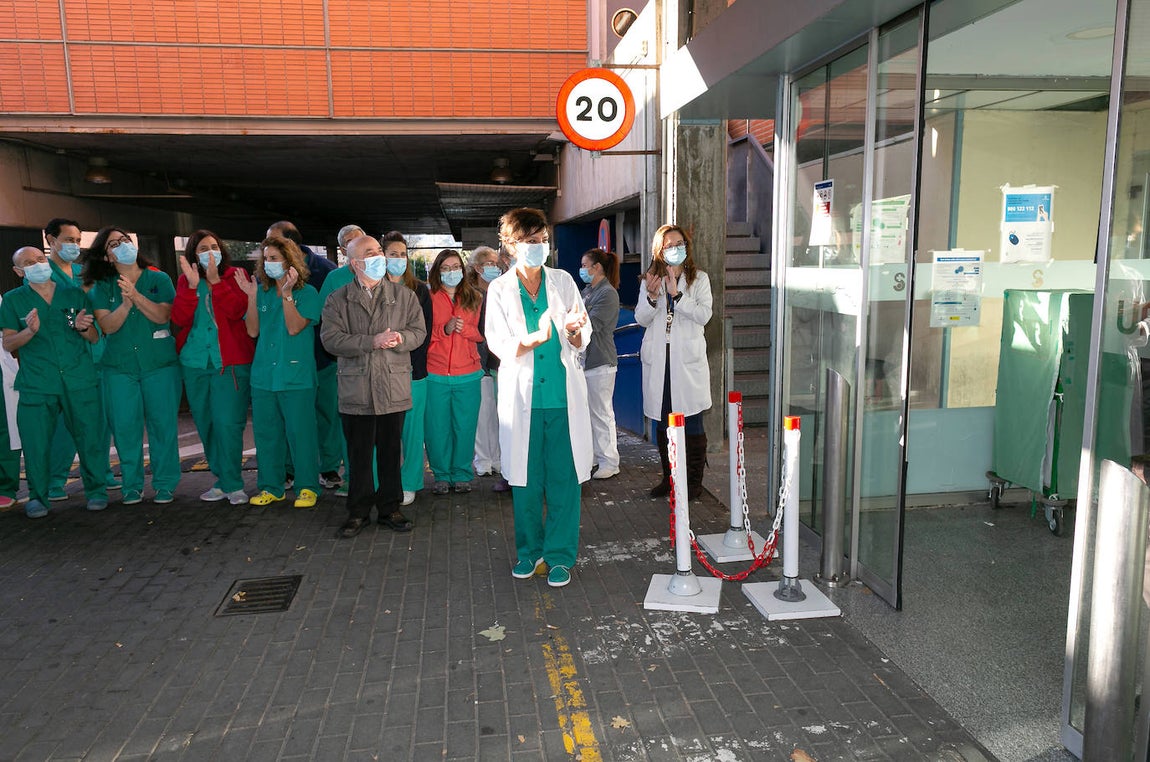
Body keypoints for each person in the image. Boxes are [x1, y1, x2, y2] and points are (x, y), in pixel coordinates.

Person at [485, 208, 592, 588]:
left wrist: (575, 332)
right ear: (512, 246)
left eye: (543, 240)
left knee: (564, 481)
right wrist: (534, 338)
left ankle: (560, 556)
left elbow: (581, 334)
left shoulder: (562, 281)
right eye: (530, 241)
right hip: (522, 399)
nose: (538, 247)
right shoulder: (499, 289)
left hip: (562, 399)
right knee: (526, 483)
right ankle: (529, 551)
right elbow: (497, 341)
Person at [321, 234, 426, 539]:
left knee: (392, 453)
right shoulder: (337, 299)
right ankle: (358, 512)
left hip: (393, 386)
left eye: (379, 250)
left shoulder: (404, 295)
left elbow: (418, 331)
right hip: (357, 391)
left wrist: (401, 339)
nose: (380, 256)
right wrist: (371, 342)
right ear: (354, 263)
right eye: (371, 253)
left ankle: (390, 508)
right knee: (359, 455)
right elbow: (330, 340)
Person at [0, 246, 109, 516]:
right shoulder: (14, 300)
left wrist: (85, 329)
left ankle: (96, 490)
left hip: (78, 378)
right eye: (28, 262)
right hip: (38, 383)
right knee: (36, 443)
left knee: (89, 438)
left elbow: (94, 337)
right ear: (18, 271)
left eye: (40, 259)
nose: (37, 264)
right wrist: (29, 331)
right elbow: (9, 342)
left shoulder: (73, 294)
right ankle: (38, 496)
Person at [85, 226, 181, 505]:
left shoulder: (159, 279)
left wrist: (136, 296)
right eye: (114, 244)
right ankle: (131, 485)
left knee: (163, 426)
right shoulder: (102, 287)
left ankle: (164, 484)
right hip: (119, 368)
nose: (122, 246)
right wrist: (126, 305)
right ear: (107, 257)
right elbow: (107, 326)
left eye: (125, 241)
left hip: (160, 365)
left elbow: (163, 315)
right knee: (125, 428)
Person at [237, 235, 322, 508]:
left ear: (290, 261)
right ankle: (271, 487)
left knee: (301, 434)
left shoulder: (307, 293)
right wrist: (251, 298)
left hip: (296, 378)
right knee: (266, 435)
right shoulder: (260, 291)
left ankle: (307, 486)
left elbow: (295, 327)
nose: (269, 263)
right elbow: (252, 330)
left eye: (275, 258)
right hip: (264, 377)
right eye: (266, 258)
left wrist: (286, 294)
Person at [172, 230, 255, 505]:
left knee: (228, 424)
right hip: (195, 363)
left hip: (229, 365)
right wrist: (194, 288)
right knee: (206, 424)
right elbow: (180, 318)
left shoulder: (234, 277)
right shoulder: (186, 281)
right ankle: (222, 480)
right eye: (203, 248)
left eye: (214, 246)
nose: (209, 252)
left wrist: (216, 282)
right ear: (193, 253)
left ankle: (233, 483)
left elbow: (237, 311)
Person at [42, 218, 120, 500]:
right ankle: (55, 479)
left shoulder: (82, 273)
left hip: (97, 356)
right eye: (69, 240)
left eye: (78, 241)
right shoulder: (41, 273)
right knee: (66, 425)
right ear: (51, 240)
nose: (75, 246)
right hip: (66, 362)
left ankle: (101, 472)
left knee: (99, 422)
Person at [635, 224, 713, 498]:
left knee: (691, 421)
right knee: (662, 422)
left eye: (679, 243)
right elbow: (641, 319)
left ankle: (692, 483)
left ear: (686, 247)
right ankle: (669, 478)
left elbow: (704, 315)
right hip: (660, 361)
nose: (675, 249)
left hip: (686, 361)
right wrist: (652, 297)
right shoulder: (650, 280)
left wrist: (677, 296)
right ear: (660, 250)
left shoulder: (698, 279)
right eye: (669, 245)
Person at [267, 221, 342, 491]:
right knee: (290, 420)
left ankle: (329, 467)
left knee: (327, 415)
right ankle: (289, 469)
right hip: (284, 361)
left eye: (275, 243)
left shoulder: (324, 271)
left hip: (322, 357)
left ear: (292, 244)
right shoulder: (266, 278)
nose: (269, 251)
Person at [425, 248, 485, 495]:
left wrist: (465, 330)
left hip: (468, 374)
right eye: (446, 268)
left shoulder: (476, 297)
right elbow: (421, 337)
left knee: (465, 426)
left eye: (456, 267)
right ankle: (441, 475)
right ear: (438, 272)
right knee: (436, 428)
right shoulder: (427, 299)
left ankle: (461, 474)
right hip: (435, 374)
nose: (452, 272)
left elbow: (484, 334)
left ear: (463, 270)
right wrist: (444, 330)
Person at [381, 231, 432, 507]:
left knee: (412, 432)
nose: (398, 259)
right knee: (385, 433)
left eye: (402, 254)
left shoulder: (420, 290)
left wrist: (410, 364)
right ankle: (383, 482)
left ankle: (410, 483)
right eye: (393, 254)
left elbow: (423, 333)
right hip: (381, 373)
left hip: (413, 372)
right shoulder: (372, 287)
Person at [469, 245, 509, 492]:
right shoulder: (471, 295)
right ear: (477, 268)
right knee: (483, 416)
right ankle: (483, 460)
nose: (496, 267)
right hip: (481, 363)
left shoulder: (502, 290)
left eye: (497, 263)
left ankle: (498, 459)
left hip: (501, 362)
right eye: (490, 263)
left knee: (500, 415)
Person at [579, 248, 622, 479]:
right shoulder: (587, 290)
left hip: (601, 362)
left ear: (597, 267)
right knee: (588, 413)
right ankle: (594, 456)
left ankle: (609, 461)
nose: (582, 269)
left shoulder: (607, 293)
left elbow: (591, 323)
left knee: (602, 413)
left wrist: (576, 318)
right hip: (586, 363)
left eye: (585, 265)